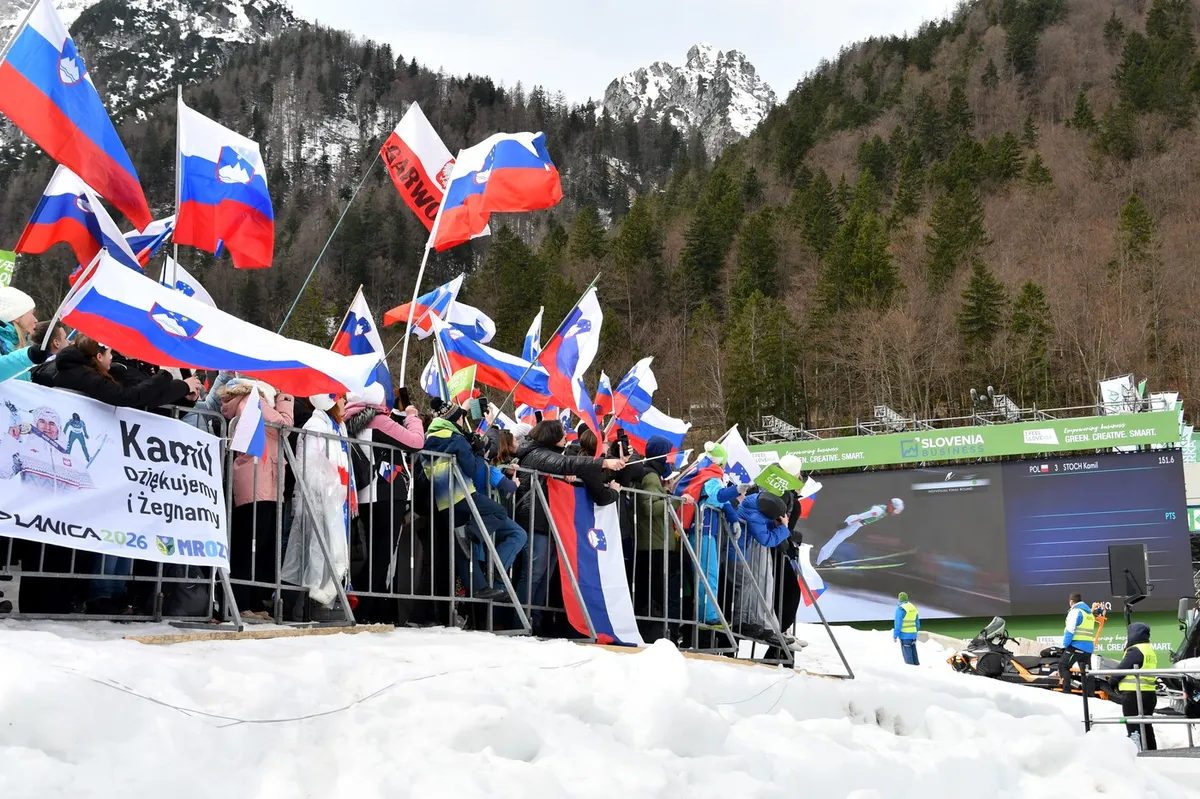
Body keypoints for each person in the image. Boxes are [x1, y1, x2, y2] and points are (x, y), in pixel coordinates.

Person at [514, 418, 623, 632]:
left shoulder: (542, 453)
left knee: (544, 576)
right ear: (551, 436)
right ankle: (520, 622)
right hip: (536, 521)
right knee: (534, 575)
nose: (566, 437)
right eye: (563, 433)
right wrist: (604, 462)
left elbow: (563, 466)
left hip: (548, 521)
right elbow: (564, 463)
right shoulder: (536, 453)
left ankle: (532, 621)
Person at [423, 399, 527, 603]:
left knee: (462, 548)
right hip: (461, 493)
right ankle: (473, 532)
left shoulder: (433, 435)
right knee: (498, 512)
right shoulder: (456, 438)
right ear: (456, 420)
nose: (463, 420)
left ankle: (478, 587)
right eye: (462, 417)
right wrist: (480, 454)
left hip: (442, 499)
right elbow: (472, 468)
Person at [344, 383, 426, 625]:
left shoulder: (351, 418)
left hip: (365, 494)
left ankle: (375, 607)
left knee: (377, 553)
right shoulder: (378, 421)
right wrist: (412, 418)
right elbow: (415, 441)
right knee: (382, 555)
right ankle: (366, 608)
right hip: (386, 494)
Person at [219, 377, 295, 620]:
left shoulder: (251, 402)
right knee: (249, 545)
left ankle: (253, 601)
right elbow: (285, 423)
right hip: (256, 480)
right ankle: (241, 602)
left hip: (265, 480)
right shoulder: (254, 401)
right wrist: (285, 398)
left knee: (259, 547)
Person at [281, 393, 357, 618]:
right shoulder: (316, 425)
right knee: (309, 555)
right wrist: (327, 489)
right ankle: (296, 609)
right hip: (316, 501)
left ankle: (318, 604)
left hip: (333, 501)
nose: (345, 403)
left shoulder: (338, 427)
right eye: (342, 399)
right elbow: (309, 465)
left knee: (325, 555)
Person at [674, 441, 742, 628]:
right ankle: (708, 616)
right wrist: (737, 490)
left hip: (706, 530)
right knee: (707, 573)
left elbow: (721, 502)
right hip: (702, 530)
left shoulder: (706, 474)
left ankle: (708, 613)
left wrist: (733, 517)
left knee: (708, 573)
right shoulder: (710, 476)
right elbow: (718, 496)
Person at [633, 435, 691, 643]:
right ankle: (652, 635)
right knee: (654, 594)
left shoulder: (654, 475)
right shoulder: (650, 476)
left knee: (655, 592)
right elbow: (649, 507)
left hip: (656, 542)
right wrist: (676, 499)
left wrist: (666, 492)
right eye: (666, 454)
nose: (669, 459)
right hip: (652, 544)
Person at [53, 336, 201, 410]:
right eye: (109, 352)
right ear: (99, 357)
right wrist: (169, 377)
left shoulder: (77, 368)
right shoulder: (91, 377)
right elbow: (130, 396)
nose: (110, 356)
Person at [732, 490, 793, 641]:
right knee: (746, 583)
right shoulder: (755, 516)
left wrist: (775, 524)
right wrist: (783, 528)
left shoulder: (756, 501)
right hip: (738, 551)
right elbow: (766, 540)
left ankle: (747, 621)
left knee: (747, 584)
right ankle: (742, 621)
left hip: (741, 549)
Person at [815, 497, 904, 566]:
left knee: (837, 542)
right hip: (854, 522)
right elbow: (862, 516)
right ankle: (820, 562)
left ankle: (824, 559)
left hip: (856, 525)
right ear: (890, 506)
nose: (896, 513)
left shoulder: (884, 510)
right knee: (834, 541)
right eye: (895, 510)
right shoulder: (878, 511)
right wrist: (847, 523)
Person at [1113, 622, 1158, 752]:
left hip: (1134, 695)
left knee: (1133, 726)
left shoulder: (1135, 650)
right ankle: (1151, 751)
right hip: (1149, 694)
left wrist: (1112, 681)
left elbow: (1123, 668)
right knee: (1146, 726)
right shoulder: (1149, 650)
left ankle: (1136, 752)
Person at [0, 286, 48, 382]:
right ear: (16, 316)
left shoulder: (19, 342)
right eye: (31, 313)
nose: (36, 320)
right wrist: (28, 356)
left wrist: (32, 377)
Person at [1059, 591, 1096, 690]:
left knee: (1063, 666)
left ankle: (1067, 693)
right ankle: (1090, 695)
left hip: (1076, 646)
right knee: (1087, 671)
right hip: (1088, 649)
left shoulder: (1075, 612)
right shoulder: (1089, 614)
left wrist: (1065, 645)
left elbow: (1070, 630)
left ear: (1071, 602)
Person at [894, 592, 920, 665]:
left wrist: (895, 635)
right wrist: (915, 632)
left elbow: (898, 624)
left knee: (907, 656)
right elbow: (917, 623)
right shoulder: (913, 608)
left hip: (905, 636)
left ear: (899, 599)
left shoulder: (900, 609)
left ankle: (911, 672)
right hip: (913, 635)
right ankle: (918, 670)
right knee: (914, 654)